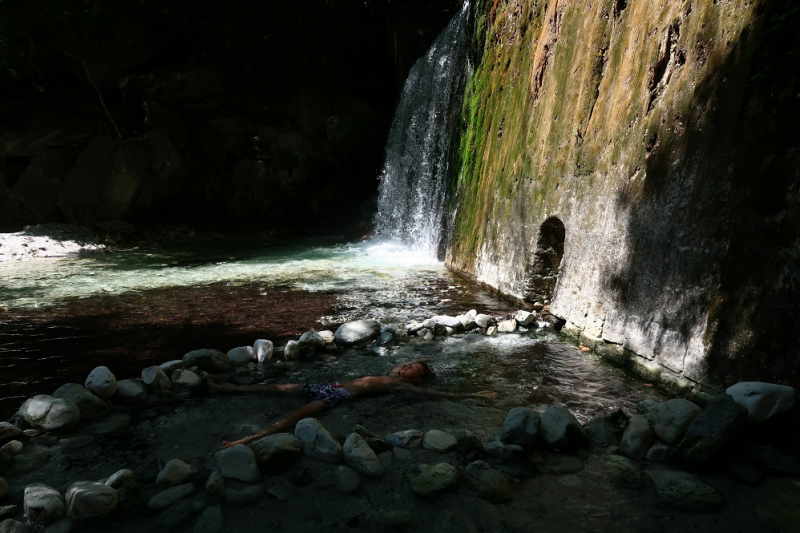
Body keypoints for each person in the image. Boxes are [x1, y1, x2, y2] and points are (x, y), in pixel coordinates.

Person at [209, 360, 497, 447]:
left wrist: (470, 396)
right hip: (330, 386)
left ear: (415, 381)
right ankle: (227, 388)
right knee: (277, 387)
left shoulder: (398, 385)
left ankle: (249, 439)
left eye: (414, 369)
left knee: (294, 416)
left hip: (338, 396)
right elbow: (399, 366)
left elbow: (434, 395)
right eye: (409, 363)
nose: (407, 366)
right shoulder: (392, 375)